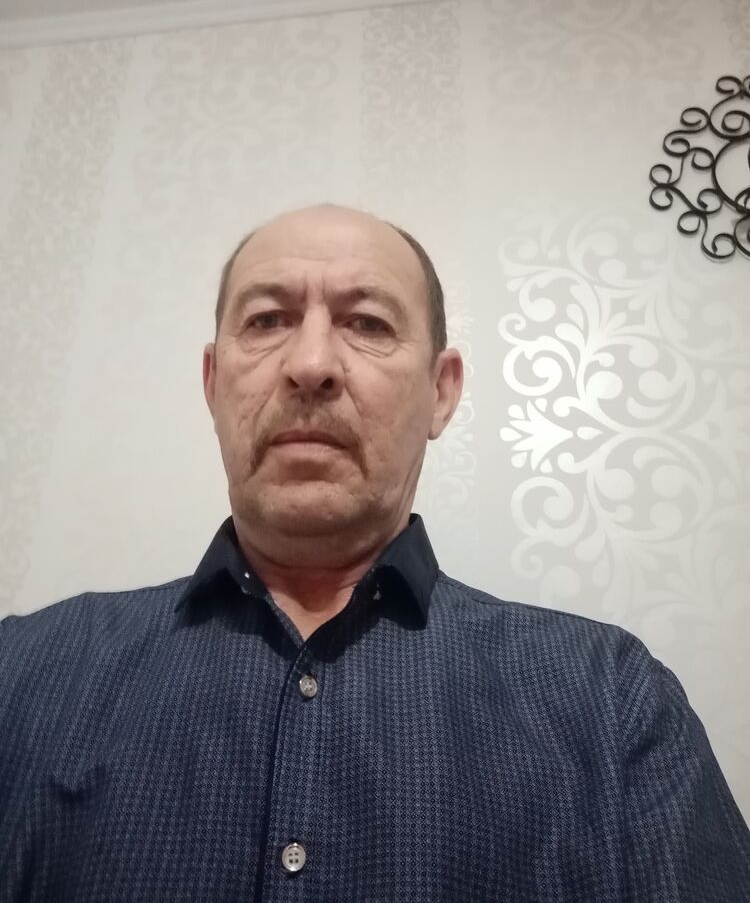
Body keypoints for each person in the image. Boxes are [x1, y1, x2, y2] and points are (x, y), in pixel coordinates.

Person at [0, 203, 748, 903]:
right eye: (267, 320)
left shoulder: (612, 701)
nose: (310, 363)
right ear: (213, 382)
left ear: (441, 392)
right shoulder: (20, 677)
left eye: (366, 322)